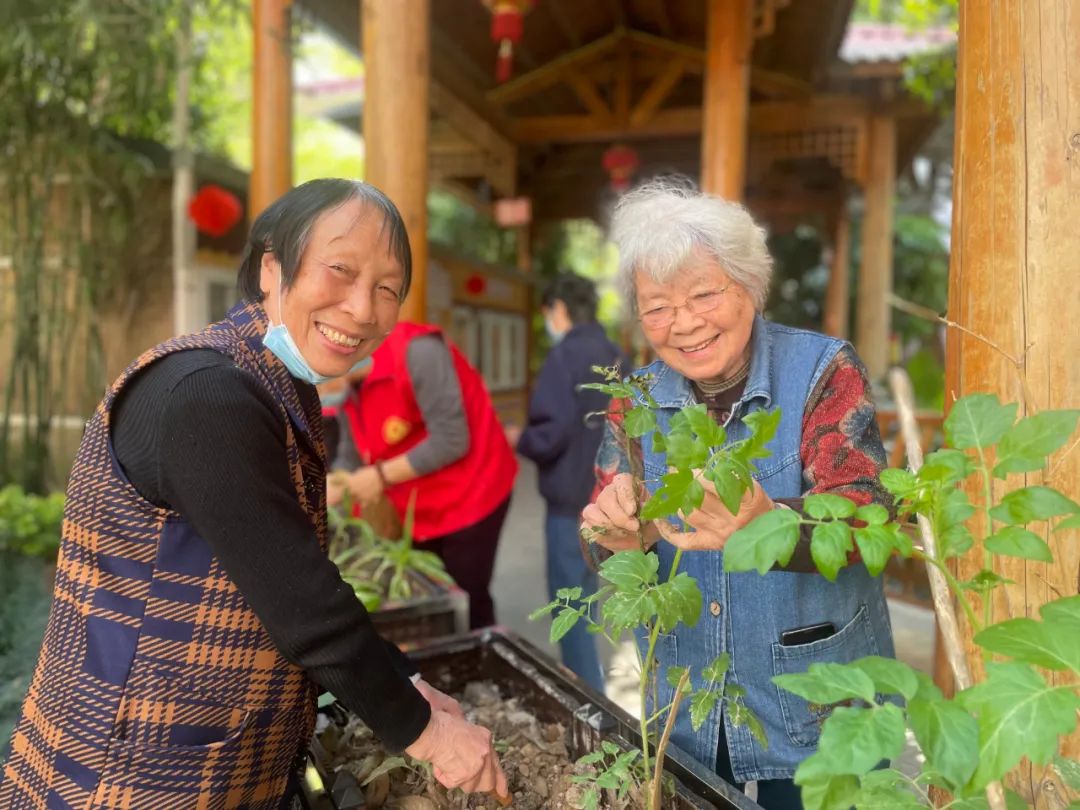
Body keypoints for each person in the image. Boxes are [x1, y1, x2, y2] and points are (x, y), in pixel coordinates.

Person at [0, 179, 507, 808]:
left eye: (387, 290)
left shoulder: (271, 383)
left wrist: (403, 680)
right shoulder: (206, 396)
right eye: (340, 271)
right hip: (126, 775)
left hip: (203, 760)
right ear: (271, 267)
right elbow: (303, 604)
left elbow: (282, 571)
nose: (362, 309)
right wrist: (426, 733)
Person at [580, 179, 895, 810]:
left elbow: (871, 521)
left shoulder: (823, 373)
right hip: (688, 700)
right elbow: (604, 536)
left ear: (749, 286)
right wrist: (615, 535)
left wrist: (771, 522)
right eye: (658, 306)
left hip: (815, 706)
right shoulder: (636, 398)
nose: (685, 323)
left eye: (704, 294)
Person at [328, 320, 517, 630]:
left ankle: (478, 659)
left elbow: (451, 440)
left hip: (473, 494)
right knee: (429, 595)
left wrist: (378, 477)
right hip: (419, 505)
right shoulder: (349, 390)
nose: (316, 389)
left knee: (466, 599)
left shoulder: (416, 352)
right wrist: (334, 486)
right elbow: (350, 455)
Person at [509, 274, 623, 692]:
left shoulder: (564, 358)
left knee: (571, 605)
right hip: (610, 498)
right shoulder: (615, 354)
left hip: (568, 503)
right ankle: (593, 686)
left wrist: (520, 438)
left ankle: (587, 698)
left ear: (558, 309)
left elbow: (551, 432)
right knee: (591, 593)